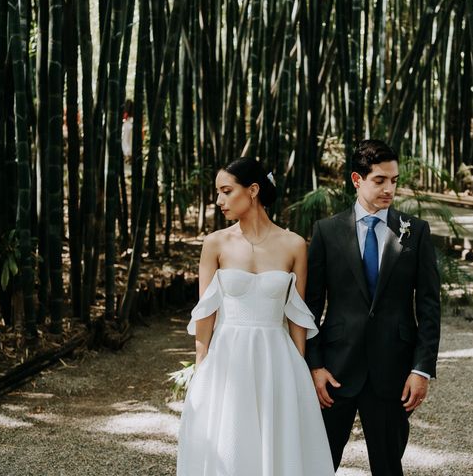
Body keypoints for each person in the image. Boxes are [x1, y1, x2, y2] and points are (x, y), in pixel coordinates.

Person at [177, 157, 334, 476]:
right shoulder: (215, 243)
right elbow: (206, 312)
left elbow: (298, 317)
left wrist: (299, 371)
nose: (219, 201)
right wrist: (201, 369)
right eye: (218, 193)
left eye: (226, 191)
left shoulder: (294, 245)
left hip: (278, 360)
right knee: (230, 444)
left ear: (252, 190)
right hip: (228, 359)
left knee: (279, 445)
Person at [305, 139, 441, 476]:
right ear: (357, 179)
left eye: (394, 180)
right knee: (320, 463)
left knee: (388, 466)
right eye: (379, 180)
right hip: (336, 369)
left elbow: (429, 307)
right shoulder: (326, 231)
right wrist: (314, 365)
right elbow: (309, 305)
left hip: (392, 368)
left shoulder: (415, 232)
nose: (389, 189)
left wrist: (421, 369)